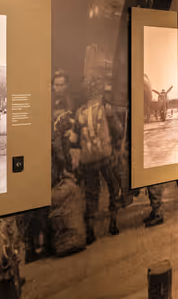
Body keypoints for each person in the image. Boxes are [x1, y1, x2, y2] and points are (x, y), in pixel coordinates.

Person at [73, 73, 123, 244]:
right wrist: (115, 146)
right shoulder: (106, 108)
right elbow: (119, 130)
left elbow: (74, 140)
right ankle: (113, 223)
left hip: (87, 161)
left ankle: (90, 232)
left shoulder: (80, 112)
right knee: (113, 186)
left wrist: (77, 161)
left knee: (91, 194)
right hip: (106, 157)